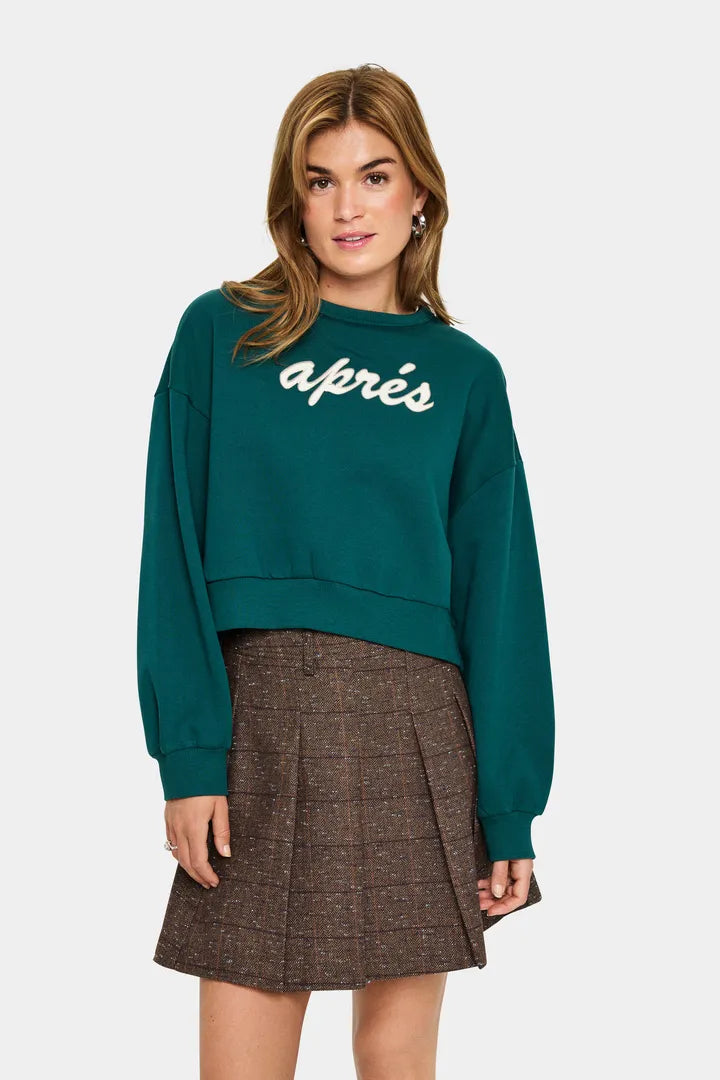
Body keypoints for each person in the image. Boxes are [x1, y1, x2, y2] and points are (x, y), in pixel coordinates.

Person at [136, 63, 555, 1080]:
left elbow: (502, 599)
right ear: (293, 199)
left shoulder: (465, 376)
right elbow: (170, 554)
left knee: (397, 1059)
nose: (347, 207)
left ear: (421, 195)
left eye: (375, 176)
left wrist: (510, 806)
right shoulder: (221, 333)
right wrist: (191, 757)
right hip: (258, 718)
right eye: (320, 180)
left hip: (416, 719)